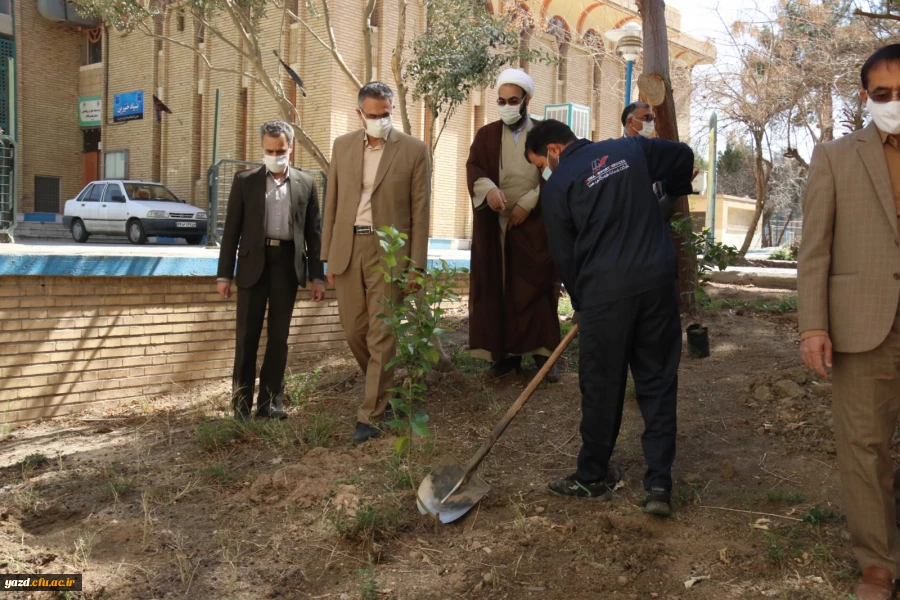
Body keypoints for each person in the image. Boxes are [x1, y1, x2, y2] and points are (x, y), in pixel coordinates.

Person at [525, 119, 694, 517]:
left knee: (602, 386)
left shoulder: (559, 185)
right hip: (656, 284)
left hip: (604, 295)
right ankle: (658, 484)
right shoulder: (630, 150)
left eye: (539, 164)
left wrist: (584, 306)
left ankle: (591, 477)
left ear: (552, 150)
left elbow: (565, 259)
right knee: (656, 380)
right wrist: (671, 195)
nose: (543, 171)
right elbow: (683, 155)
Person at [798, 44, 900, 600]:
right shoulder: (836, 156)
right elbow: (814, 249)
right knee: (865, 447)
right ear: (865, 97)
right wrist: (813, 325)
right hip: (863, 324)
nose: (893, 104)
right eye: (882, 95)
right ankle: (877, 564)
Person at [321, 82, 431, 445]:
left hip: (390, 253)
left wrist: (416, 266)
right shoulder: (342, 146)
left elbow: (420, 212)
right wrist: (327, 256)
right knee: (354, 330)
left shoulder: (414, 151)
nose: (380, 120)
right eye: (373, 115)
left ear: (392, 111)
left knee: (382, 333)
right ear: (359, 114)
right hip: (348, 248)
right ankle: (385, 390)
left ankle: (370, 414)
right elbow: (332, 203)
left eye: (386, 114)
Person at [217, 120, 326, 421]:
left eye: (280, 150)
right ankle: (241, 407)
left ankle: (270, 403)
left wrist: (317, 276)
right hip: (253, 264)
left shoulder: (306, 183)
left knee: (279, 338)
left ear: (290, 148)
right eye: (269, 150)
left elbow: (314, 233)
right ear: (262, 148)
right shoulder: (246, 181)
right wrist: (224, 274)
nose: (275, 154)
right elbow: (231, 231)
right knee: (247, 338)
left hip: (287, 265)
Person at [466, 68, 562, 382]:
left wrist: (531, 201)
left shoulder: (547, 135)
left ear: (526, 100)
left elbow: (554, 173)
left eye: (513, 100)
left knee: (535, 286)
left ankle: (543, 356)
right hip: (496, 225)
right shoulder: (486, 135)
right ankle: (504, 357)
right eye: (501, 100)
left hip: (534, 224)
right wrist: (489, 190)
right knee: (498, 287)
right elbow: (475, 168)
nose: (506, 105)